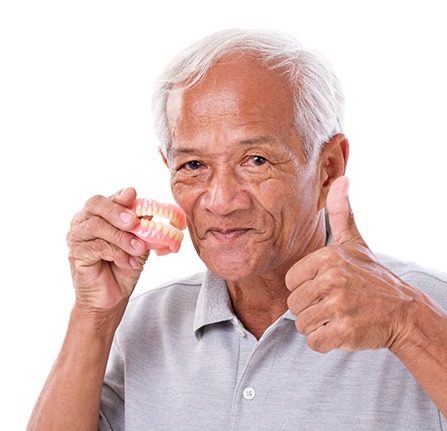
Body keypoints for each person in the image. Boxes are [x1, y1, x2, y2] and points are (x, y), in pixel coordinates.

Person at [27, 29, 447, 430]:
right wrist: (94, 317)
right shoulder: (145, 324)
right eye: (194, 166)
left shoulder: (425, 307)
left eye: (256, 160)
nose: (221, 200)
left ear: (328, 167)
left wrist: (408, 326)